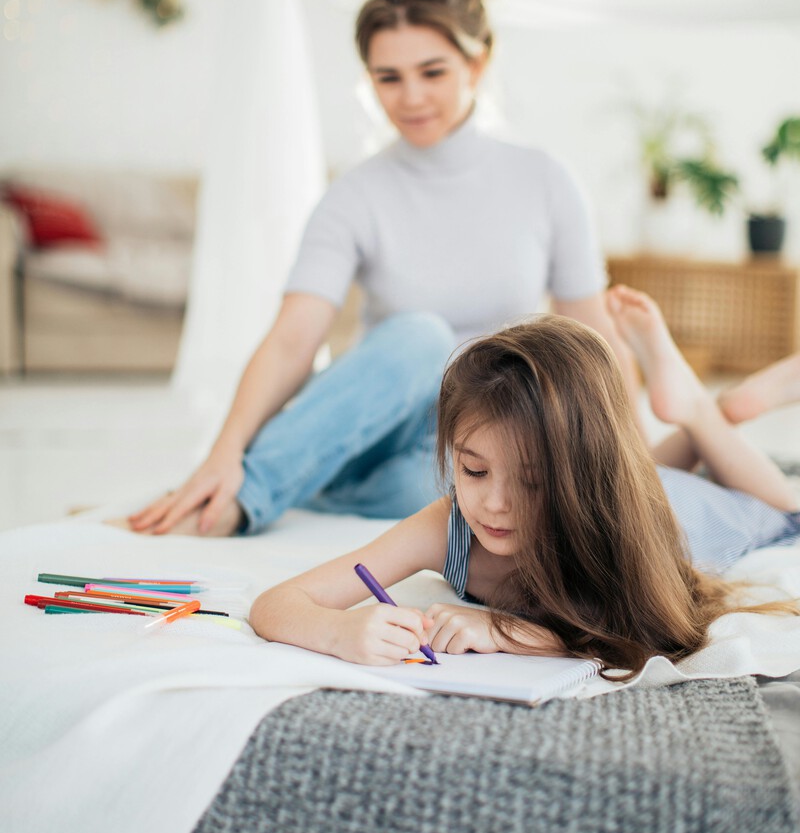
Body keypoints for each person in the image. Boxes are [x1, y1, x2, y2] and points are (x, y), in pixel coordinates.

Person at [127, 0, 638, 537]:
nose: (410, 97)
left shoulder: (545, 181)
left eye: (432, 72)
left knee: (458, 485)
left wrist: (635, 463)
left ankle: (316, 483)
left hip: (479, 441)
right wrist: (224, 452)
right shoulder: (355, 194)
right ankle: (243, 496)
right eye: (388, 78)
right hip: (377, 425)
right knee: (422, 337)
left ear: (477, 63)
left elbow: (593, 339)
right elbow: (293, 339)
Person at [249, 286, 800, 678]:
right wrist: (339, 632)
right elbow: (278, 602)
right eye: (474, 470)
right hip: (635, 477)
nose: (494, 504)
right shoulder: (447, 527)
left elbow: (655, 631)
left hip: (690, 508)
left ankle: (706, 411)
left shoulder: (617, 523)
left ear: (583, 479)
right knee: (646, 467)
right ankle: (700, 417)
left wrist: (504, 631)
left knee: (787, 509)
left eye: (532, 484)